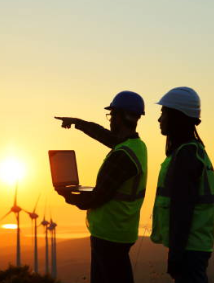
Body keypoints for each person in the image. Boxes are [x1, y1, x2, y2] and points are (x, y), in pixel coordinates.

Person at [54, 91, 148, 283]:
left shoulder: (122, 156)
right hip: (121, 232)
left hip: (109, 235)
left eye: (112, 115)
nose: (110, 121)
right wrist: (77, 123)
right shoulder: (136, 146)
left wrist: (67, 195)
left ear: (121, 116)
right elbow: (104, 136)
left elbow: (97, 197)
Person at [150, 87, 214, 283]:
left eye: (164, 113)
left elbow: (182, 209)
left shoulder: (186, 156)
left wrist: (176, 254)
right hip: (196, 246)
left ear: (178, 117)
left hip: (189, 248)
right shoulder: (195, 151)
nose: (159, 119)